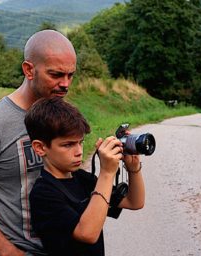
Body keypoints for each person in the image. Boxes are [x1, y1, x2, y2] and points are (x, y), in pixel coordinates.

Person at [0, 30, 77, 256]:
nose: (65, 84)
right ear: (29, 70)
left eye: (71, 75)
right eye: (56, 75)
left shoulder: (63, 116)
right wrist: (7, 251)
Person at [25, 97, 145, 256]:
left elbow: (134, 202)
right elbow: (88, 234)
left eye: (80, 142)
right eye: (68, 145)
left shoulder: (82, 178)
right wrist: (107, 173)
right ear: (40, 148)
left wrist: (133, 168)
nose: (79, 151)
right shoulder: (43, 193)